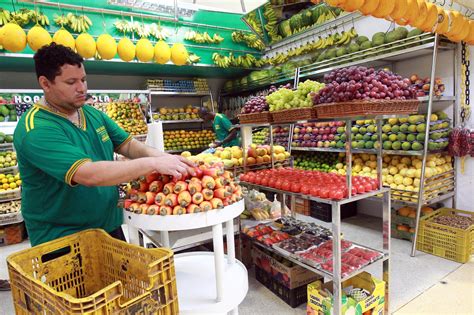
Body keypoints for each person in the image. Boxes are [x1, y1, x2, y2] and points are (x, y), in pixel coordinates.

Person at [13, 43, 195, 247]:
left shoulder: (91, 113)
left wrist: (165, 159)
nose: (82, 88)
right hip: (63, 238)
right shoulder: (36, 128)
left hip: (108, 225)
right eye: (71, 82)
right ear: (46, 84)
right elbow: (88, 174)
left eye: (83, 79)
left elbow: (129, 146)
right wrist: (152, 164)